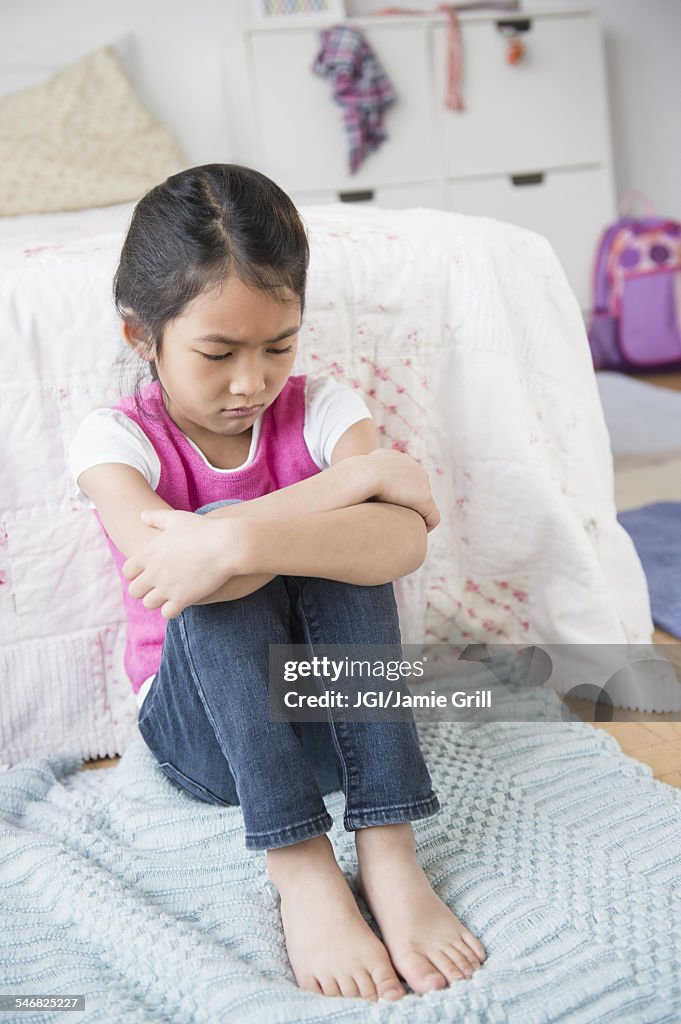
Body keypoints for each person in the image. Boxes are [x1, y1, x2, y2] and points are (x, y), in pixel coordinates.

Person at [68, 164, 486, 1002]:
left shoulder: (325, 406)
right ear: (139, 336)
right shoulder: (114, 440)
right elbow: (170, 570)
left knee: (338, 550)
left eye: (278, 346)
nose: (250, 383)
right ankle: (299, 865)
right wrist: (340, 488)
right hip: (211, 748)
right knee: (226, 580)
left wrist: (240, 534)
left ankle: (388, 849)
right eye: (217, 353)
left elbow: (401, 541)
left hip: (340, 732)